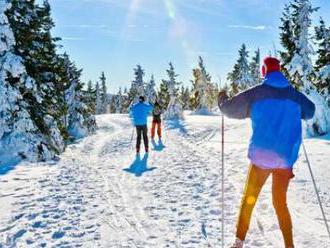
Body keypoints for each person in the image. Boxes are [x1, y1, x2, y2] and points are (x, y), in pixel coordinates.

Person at [218, 57, 315, 248]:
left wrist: (222, 99)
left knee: (249, 199)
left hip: (261, 159)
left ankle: (238, 243)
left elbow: (229, 110)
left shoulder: (257, 93)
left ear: (264, 71)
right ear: (279, 71)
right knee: (280, 204)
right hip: (285, 160)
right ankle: (289, 246)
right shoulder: (293, 94)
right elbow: (310, 111)